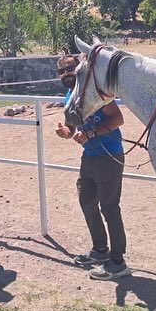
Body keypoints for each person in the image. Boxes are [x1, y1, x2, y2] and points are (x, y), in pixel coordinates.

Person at [54, 55, 131, 280]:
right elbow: (71, 129)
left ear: (79, 69)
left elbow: (117, 120)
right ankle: (100, 250)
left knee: (109, 208)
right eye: (61, 71)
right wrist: (65, 133)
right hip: (89, 157)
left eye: (69, 68)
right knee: (87, 202)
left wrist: (92, 133)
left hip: (109, 156)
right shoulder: (70, 95)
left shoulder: (97, 93)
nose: (65, 74)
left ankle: (118, 262)